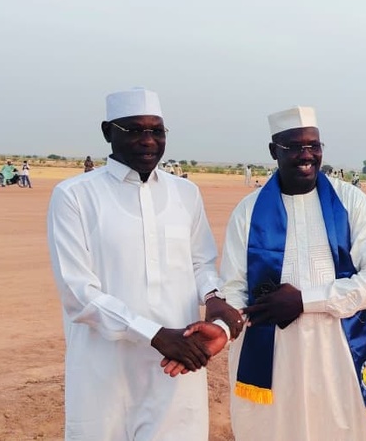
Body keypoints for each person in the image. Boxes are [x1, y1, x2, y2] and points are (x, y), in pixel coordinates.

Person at [47, 87, 243, 440]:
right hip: (104, 371)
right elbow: (78, 293)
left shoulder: (185, 193)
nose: (148, 140)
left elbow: (201, 261)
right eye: (134, 130)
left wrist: (213, 297)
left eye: (157, 130)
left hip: (177, 366)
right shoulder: (74, 196)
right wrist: (153, 334)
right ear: (108, 132)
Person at [220, 106, 366, 440]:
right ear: (274, 151)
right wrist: (219, 326)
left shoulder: (351, 202)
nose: (307, 156)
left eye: (314, 146)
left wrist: (305, 301)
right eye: (295, 147)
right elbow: (233, 289)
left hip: (340, 355)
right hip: (274, 361)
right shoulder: (248, 212)